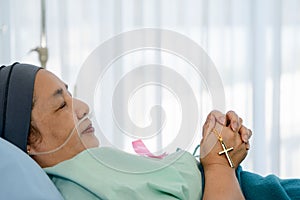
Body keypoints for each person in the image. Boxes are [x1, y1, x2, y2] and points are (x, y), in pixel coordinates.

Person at [0, 63, 299, 200]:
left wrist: (215, 143)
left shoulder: (95, 169)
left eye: (70, 93)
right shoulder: (79, 190)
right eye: (61, 106)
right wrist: (221, 161)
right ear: (27, 141)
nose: (82, 107)